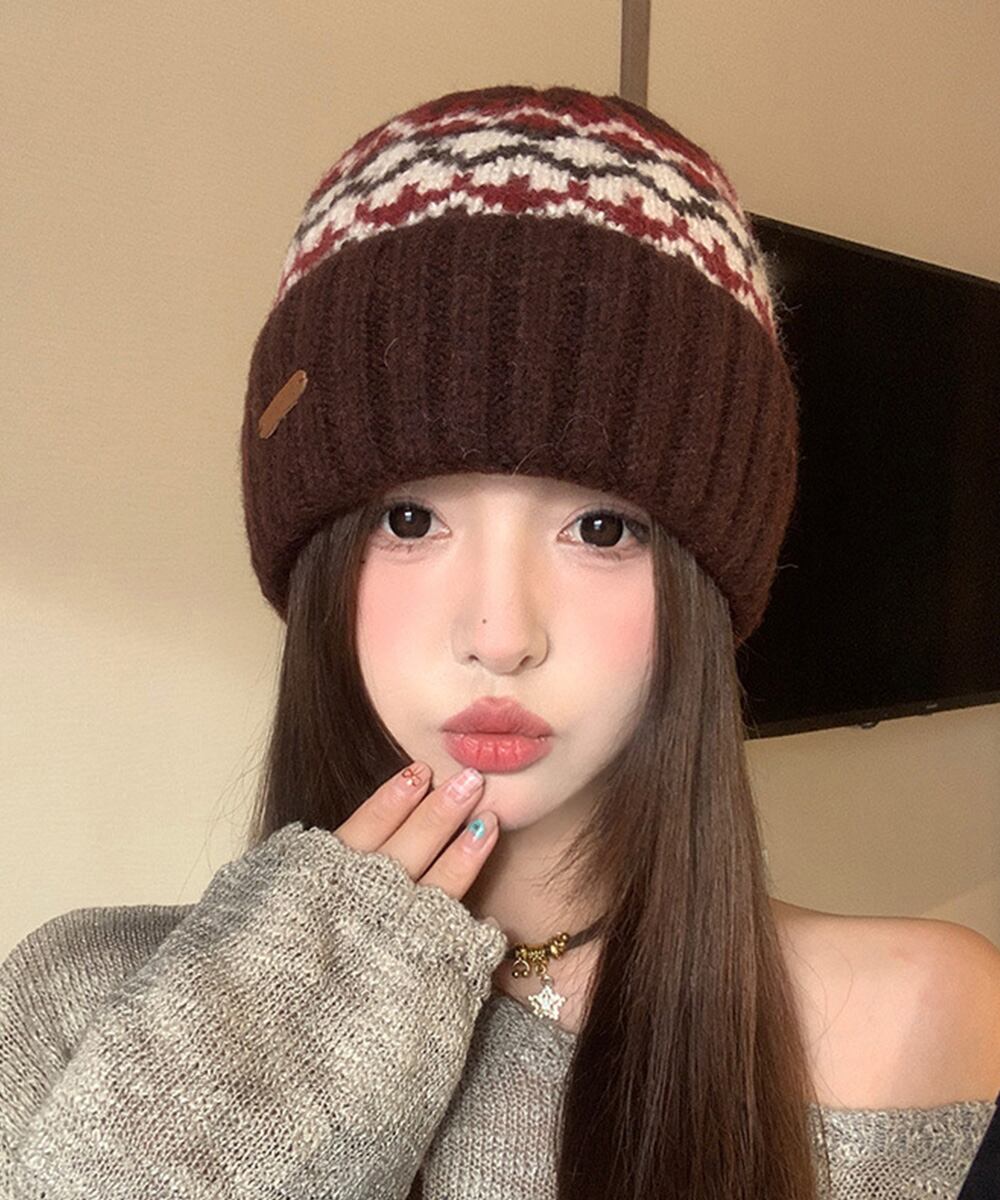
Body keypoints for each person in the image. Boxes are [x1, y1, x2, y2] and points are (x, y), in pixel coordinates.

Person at [1, 83, 997, 1200]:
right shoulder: (78, 1002)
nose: (500, 635)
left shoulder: (909, 1024)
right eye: (410, 521)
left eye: (602, 529)